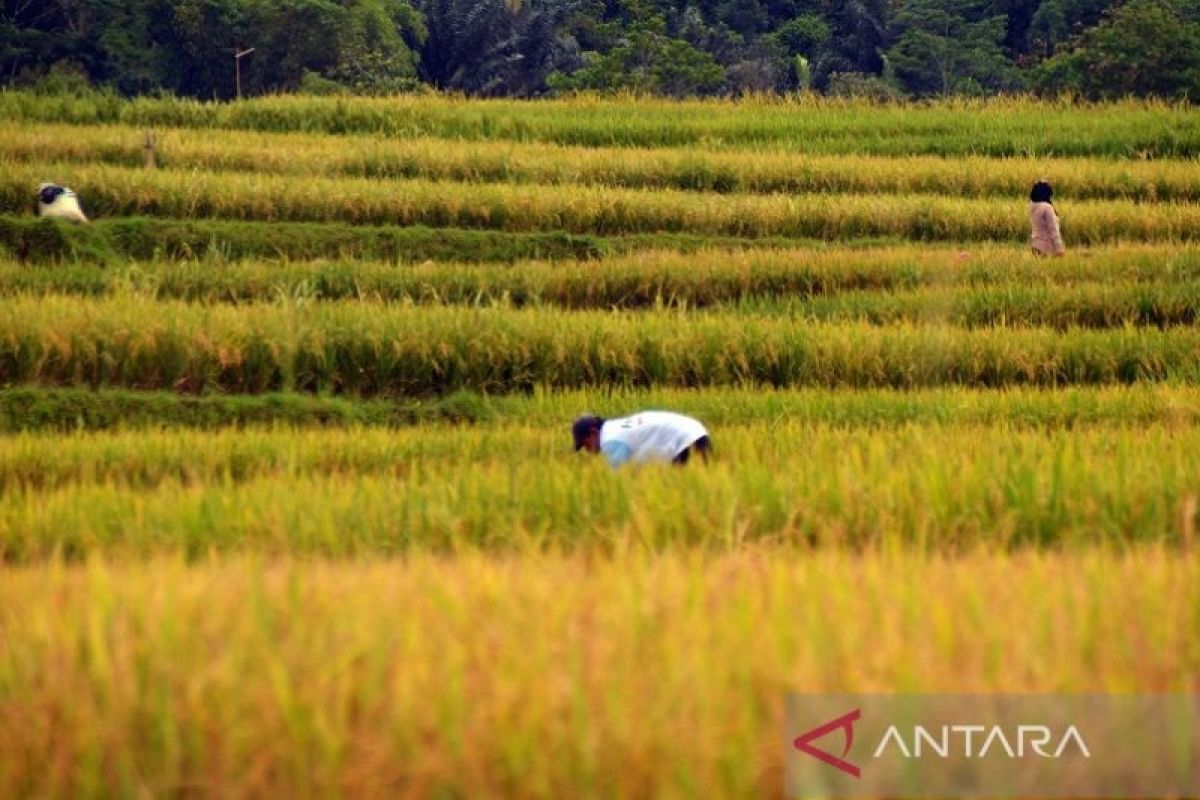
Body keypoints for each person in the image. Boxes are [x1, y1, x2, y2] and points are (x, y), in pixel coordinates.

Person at [572, 411, 711, 468]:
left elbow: (618, 480)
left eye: (586, 445)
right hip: (695, 430)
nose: (588, 451)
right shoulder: (614, 428)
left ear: (593, 433)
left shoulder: (610, 441)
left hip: (686, 439)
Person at [1029, 180, 1064, 257]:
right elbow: (1053, 229)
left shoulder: (1033, 206)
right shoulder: (1047, 208)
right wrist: (1059, 248)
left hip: (1035, 246)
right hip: (1045, 248)